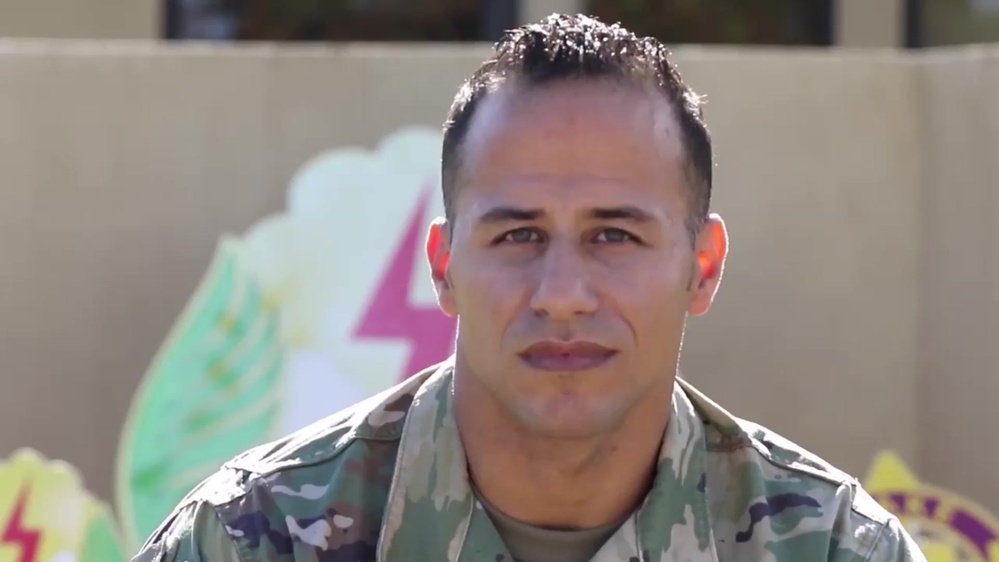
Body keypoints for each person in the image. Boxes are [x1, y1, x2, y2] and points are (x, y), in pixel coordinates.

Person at [132, 13, 927, 562]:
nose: (562, 294)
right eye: (518, 236)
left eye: (614, 235)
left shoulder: (827, 546)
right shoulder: (254, 538)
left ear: (703, 265)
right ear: (443, 266)